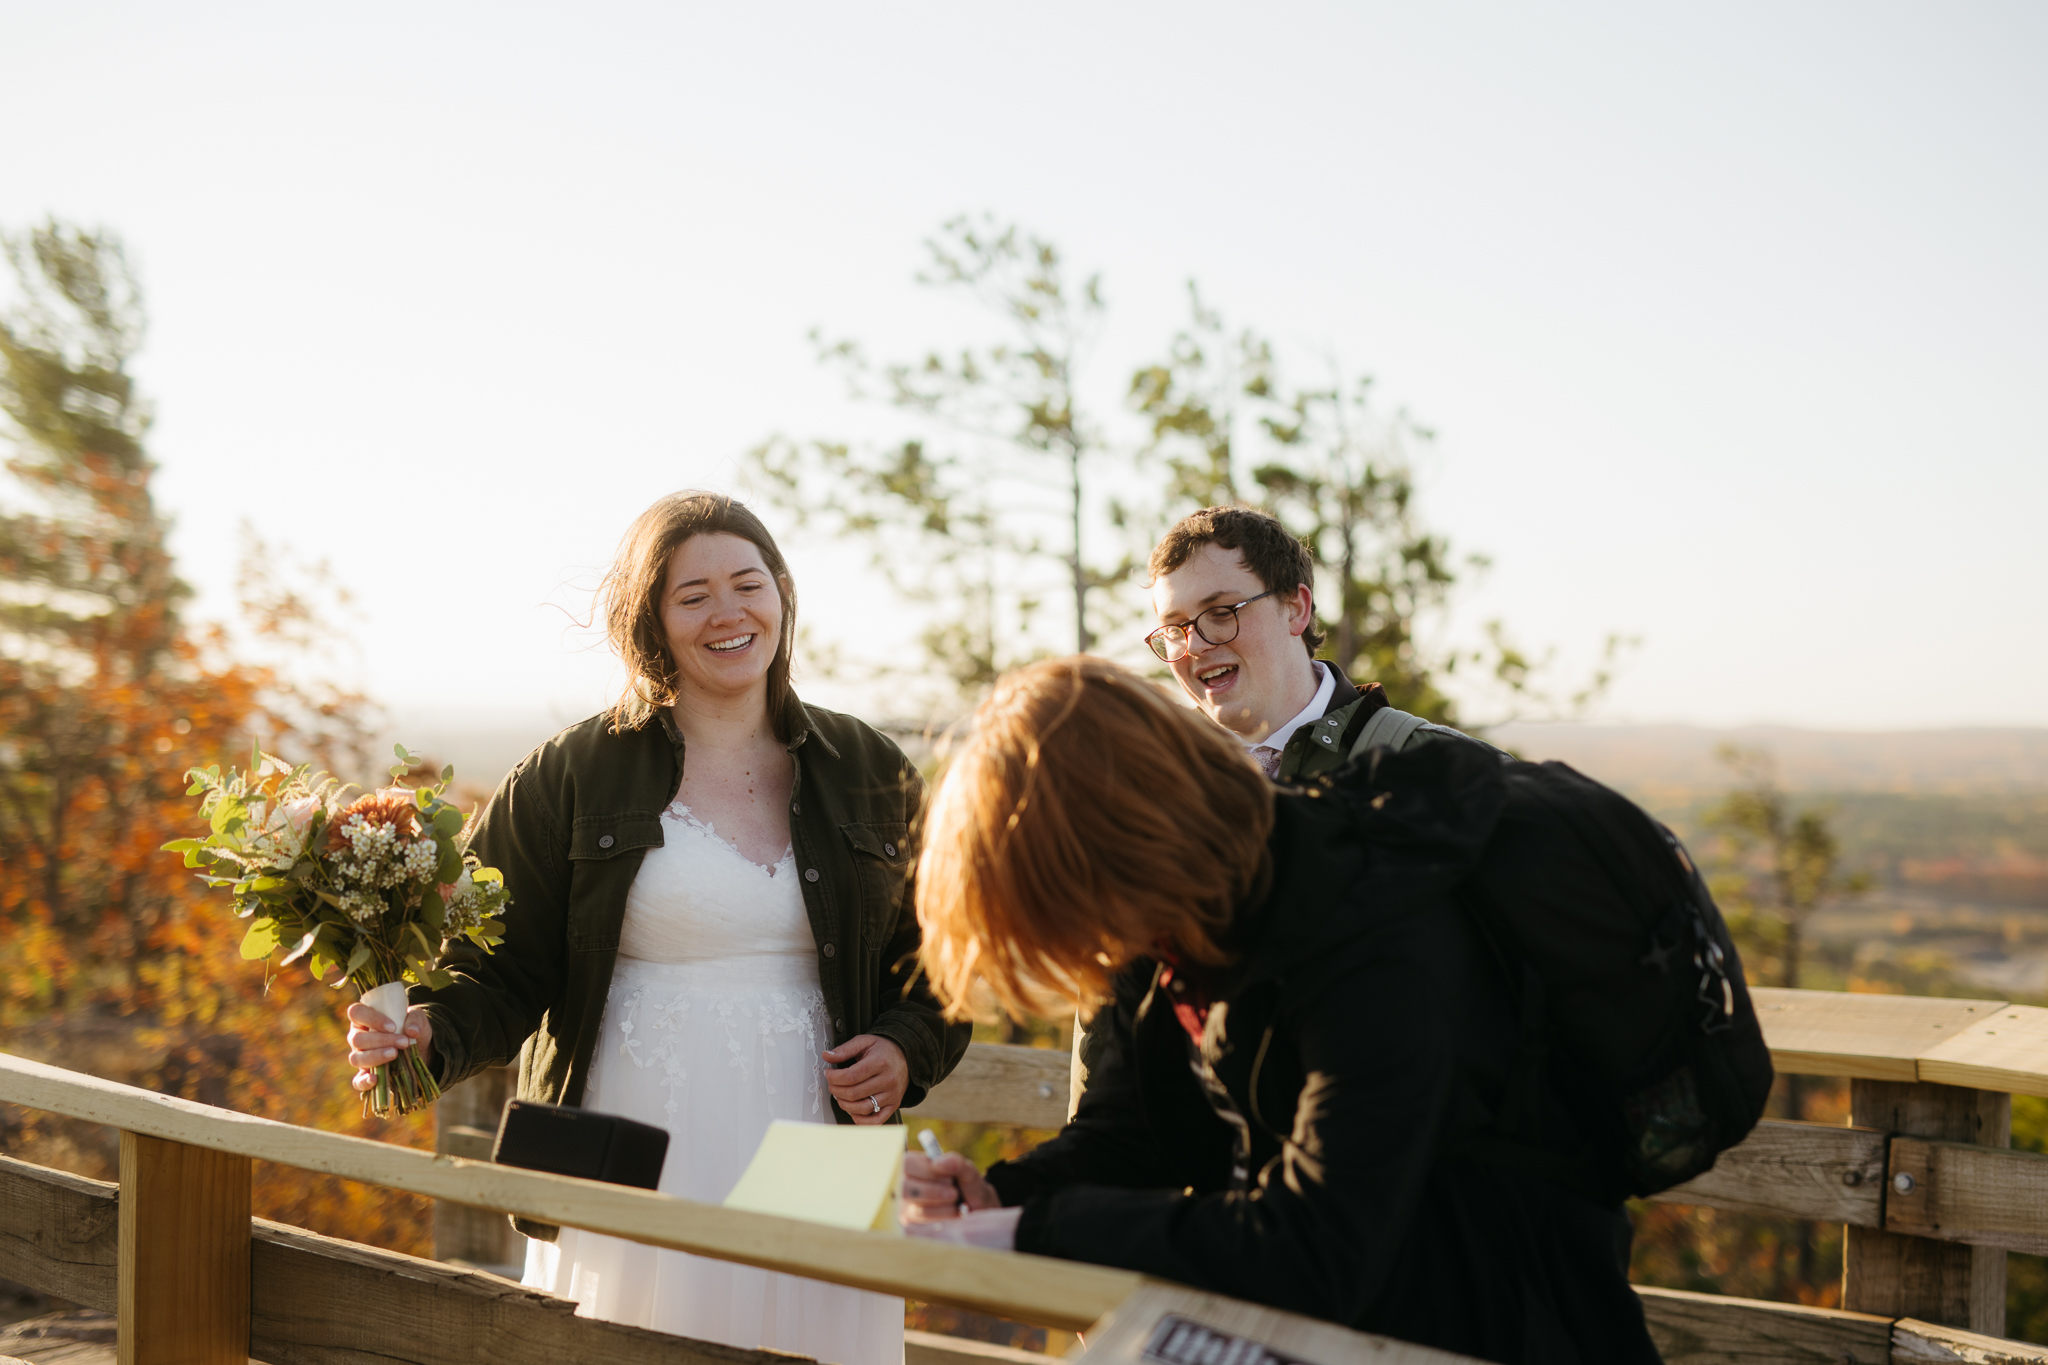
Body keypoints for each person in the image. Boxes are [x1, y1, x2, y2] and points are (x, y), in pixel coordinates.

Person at [342, 492, 970, 1365]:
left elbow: (944, 957)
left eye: (748, 583)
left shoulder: (867, 768)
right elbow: (496, 967)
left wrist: (906, 1047)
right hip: (633, 1133)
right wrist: (422, 1033)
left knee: (819, 1341)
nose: (728, 612)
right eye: (693, 594)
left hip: (825, 1142)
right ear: (654, 621)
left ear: (782, 594)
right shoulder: (573, 771)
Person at [899, 657, 1661, 1364]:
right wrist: (1006, 1194)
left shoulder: (1370, 930)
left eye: (1062, 909)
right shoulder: (1175, 934)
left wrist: (1035, 1232)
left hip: (1501, 1320)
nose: (1082, 947)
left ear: (1116, 849)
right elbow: (1137, 1133)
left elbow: (1323, 1242)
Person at [1145, 505, 1480, 783]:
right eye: (1174, 628)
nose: (1195, 646)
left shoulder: (1449, 772)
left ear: (1296, 608)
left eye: (1220, 612)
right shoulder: (1148, 787)